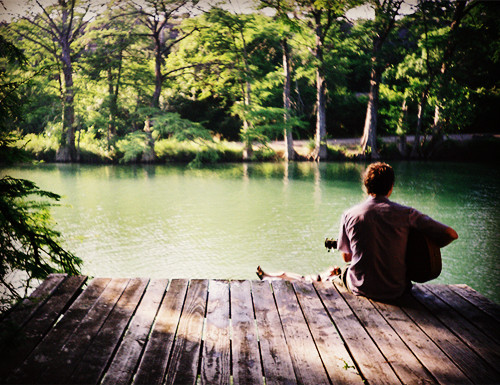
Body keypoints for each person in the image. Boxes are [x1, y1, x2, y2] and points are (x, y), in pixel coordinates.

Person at [257, 162, 458, 301]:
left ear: (366, 186)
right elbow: (450, 234)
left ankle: (286, 277)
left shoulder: (350, 215)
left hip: (361, 288)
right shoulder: (407, 214)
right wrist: (423, 251)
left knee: (334, 272)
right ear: (391, 188)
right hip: (397, 290)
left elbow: (346, 257)